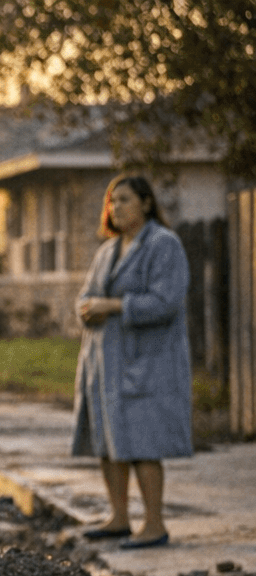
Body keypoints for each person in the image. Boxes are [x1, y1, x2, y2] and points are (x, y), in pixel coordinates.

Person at [73, 174, 192, 549]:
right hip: (104, 362)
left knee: (143, 443)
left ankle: (154, 524)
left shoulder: (163, 244)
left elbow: (166, 302)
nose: (115, 207)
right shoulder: (108, 251)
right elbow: (86, 296)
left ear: (146, 202)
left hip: (146, 363)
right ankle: (119, 517)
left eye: (124, 199)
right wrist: (87, 309)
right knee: (108, 442)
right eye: (111, 201)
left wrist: (113, 306)